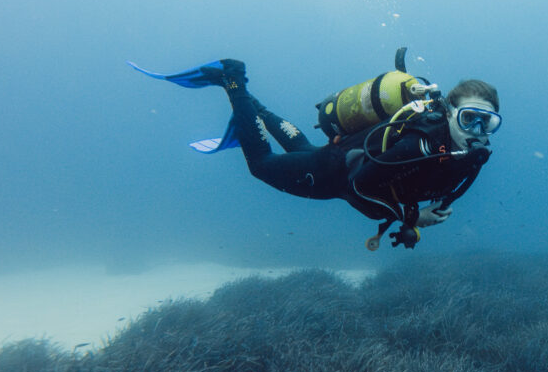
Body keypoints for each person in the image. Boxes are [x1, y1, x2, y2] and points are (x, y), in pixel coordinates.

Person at [130, 50, 501, 249]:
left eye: (488, 123)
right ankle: (232, 79)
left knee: (301, 146)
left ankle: (249, 111)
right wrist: (411, 219)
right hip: (333, 175)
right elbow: (361, 184)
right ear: (450, 113)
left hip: (333, 160)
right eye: (470, 118)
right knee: (261, 164)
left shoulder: (470, 157)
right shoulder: (418, 144)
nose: (478, 131)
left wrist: (410, 215)